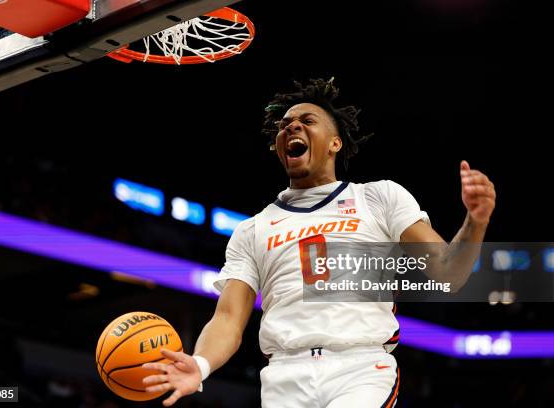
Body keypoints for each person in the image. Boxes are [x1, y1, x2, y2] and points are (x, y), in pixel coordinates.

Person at [142, 78, 496, 407]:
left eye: (307, 121)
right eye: (284, 125)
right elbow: (229, 319)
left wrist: (475, 222)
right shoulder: (254, 229)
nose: (291, 127)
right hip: (283, 376)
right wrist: (201, 364)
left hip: (359, 369)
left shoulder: (379, 198)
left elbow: (449, 274)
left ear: (335, 143)